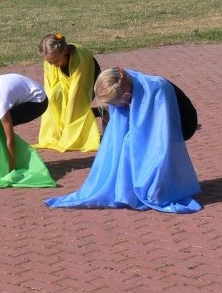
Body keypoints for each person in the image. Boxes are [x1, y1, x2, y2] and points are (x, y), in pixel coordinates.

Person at [45, 68, 202, 213]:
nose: (116, 107)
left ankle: (154, 187)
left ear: (126, 96)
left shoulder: (157, 88)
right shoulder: (120, 82)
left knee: (143, 150)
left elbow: (159, 135)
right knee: (124, 145)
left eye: (116, 104)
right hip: (159, 116)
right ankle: (129, 188)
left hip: (181, 121)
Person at [34, 33, 102, 152]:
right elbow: (49, 89)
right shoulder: (50, 62)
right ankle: (60, 131)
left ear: (64, 51)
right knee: (53, 97)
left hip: (88, 76)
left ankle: (99, 113)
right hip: (65, 79)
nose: (53, 65)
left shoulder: (78, 61)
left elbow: (75, 95)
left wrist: (68, 133)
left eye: (56, 61)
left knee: (74, 104)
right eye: (50, 62)